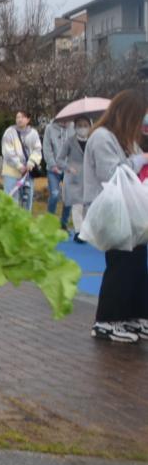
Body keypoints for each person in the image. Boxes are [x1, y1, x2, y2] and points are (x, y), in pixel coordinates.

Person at [80, 91, 148, 344]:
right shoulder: (101, 137)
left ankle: (134, 315)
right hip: (110, 212)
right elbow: (112, 174)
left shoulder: (124, 140)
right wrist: (139, 160)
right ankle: (107, 321)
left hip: (128, 211)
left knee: (137, 262)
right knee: (121, 264)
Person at [1, 109, 44, 209]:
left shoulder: (33, 133)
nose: (19, 119)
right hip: (11, 171)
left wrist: (31, 162)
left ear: (28, 119)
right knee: (11, 199)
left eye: (22, 117)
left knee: (27, 198)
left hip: (28, 172)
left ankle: (26, 221)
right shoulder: (9, 132)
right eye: (17, 117)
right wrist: (19, 165)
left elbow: (37, 150)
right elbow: (7, 152)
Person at [42, 113, 75, 225]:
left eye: (67, 120)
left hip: (68, 169)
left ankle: (64, 223)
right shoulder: (49, 128)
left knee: (68, 197)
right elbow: (47, 149)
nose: (65, 123)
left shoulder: (74, 128)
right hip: (53, 170)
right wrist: (53, 165)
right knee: (55, 195)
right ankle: (49, 222)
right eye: (63, 120)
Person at [61, 119, 91, 239]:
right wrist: (68, 167)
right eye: (80, 126)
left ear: (89, 127)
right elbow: (59, 159)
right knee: (77, 206)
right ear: (75, 127)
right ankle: (78, 232)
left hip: (88, 178)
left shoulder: (92, 141)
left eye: (85, 125)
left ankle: (84, 230)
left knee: (86, 207)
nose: (82, 128)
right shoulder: (69, 142)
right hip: (73, 179)